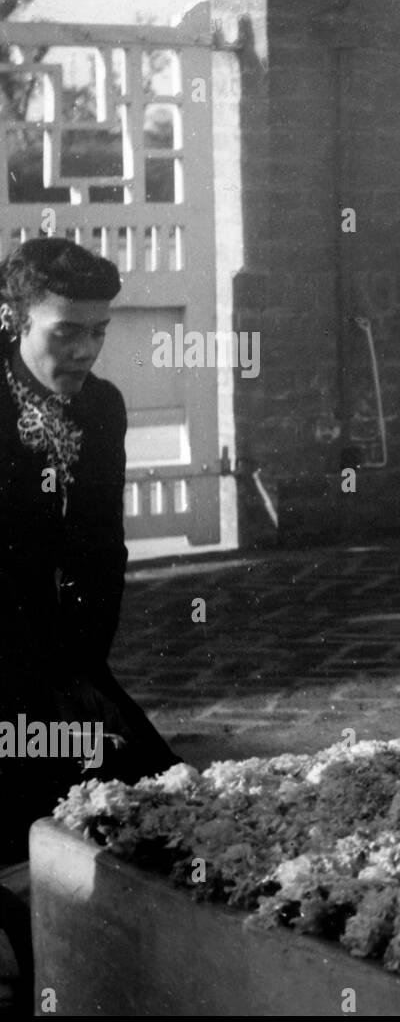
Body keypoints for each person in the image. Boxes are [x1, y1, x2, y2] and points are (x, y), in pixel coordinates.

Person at [0, 238, 180, 867]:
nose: (85, 350)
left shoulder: (101, 407)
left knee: (152, 809)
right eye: (66, 332)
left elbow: (102, 547)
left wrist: (81, 664)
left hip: (51, 648)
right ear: (13, 318)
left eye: (99, 331)